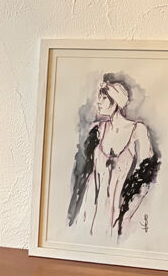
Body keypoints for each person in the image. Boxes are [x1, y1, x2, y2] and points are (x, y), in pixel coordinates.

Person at [67, 75, 159, 239]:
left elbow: (146, 177)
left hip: (120, 209)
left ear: (116, 101)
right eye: (98, 98)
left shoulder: (137, 130)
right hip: (91, 207)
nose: (98, 103)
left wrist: (128, 212)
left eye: (103, 98)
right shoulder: (97, 129)